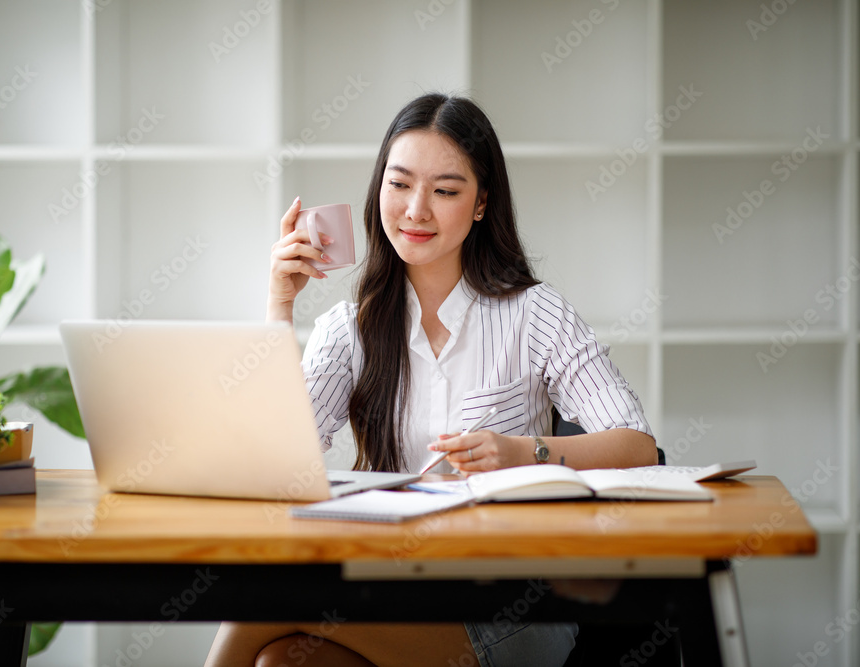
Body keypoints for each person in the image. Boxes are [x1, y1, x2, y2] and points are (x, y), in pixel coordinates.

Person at [204, 93, 657, 667]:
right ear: (379, 193)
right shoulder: (352, 330)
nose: (416, 210)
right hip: (390, 584)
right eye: (399, 185)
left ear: (479, 204)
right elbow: (274, 466)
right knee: (280, 662)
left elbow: (638, 445)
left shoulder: (536, 315)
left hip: (514, 602)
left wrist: (522, 452)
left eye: (444, 191)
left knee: (263, 600)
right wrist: (279, 306)